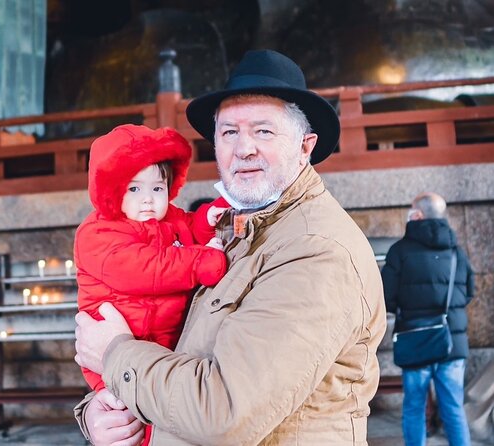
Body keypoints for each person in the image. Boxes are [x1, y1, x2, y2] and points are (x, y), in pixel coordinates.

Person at [73, 49, 387, 445]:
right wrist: (103, 411)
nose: (244, 148)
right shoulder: (233, 229)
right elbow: (174, 350)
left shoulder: (314, 251)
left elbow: (224, 413)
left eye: (264, 131)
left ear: (305, 147)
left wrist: (115, 355)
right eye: (229, 132)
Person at [74, 124, 229, 445]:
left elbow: (188, 227)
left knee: (162, 417)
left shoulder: (166, 219)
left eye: (157, 189)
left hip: (162, 349)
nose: (148, 200)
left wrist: (207, 218)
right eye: (134, 189)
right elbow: (144, 269)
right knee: (130, 421)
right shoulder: (98, 233)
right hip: (116, 348)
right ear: (113, 191)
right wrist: (199, 263)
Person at [382, 192, 474, 446]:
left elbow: (386, 297)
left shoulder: (399, 251)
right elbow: (469, 292)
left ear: (418, 215)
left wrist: (410, 310)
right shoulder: (457, 251)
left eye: (411, 209)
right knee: (453, 409)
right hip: (452, 344)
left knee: (414, 409)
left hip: (416, 340)